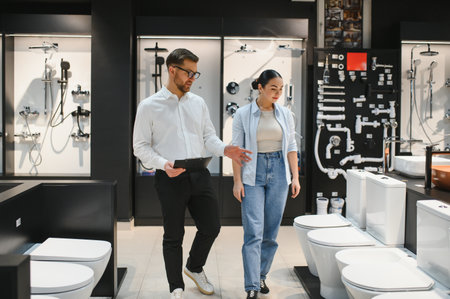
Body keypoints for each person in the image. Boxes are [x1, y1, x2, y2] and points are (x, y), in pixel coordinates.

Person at [133, 48, 252, 299]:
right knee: (173, 235)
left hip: (200, 173)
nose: (192, 78)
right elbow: (140, 146)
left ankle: (194, 267)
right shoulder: (149, 106)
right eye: (188, 72)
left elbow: (208, 137)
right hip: (169, 177)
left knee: (211, 227)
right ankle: (176, 286)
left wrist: (225, 149)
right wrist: (162, 163)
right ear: (172, 69)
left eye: (195, 74)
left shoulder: (198, 103)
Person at [231, 70, 301, 299]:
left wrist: (295, 177)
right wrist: (237, 181)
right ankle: (251, 286)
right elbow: (237, 151)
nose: (278, 93)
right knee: (253, 232)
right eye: (273, 88)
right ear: (260, 87)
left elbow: (291, 146)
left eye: (281, 89)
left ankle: (261, 275)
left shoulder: (285, 114)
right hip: (253, 172)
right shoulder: (243, 114)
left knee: (270, 232)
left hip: (280, 172)